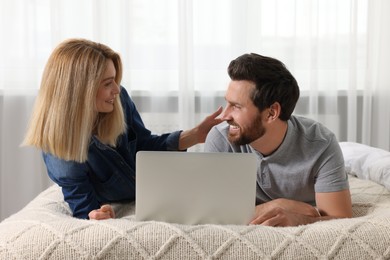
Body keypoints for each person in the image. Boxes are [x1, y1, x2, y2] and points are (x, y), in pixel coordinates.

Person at [23, 38, 223, 220]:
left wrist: (194, 135)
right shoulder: (59, 145)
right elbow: (83, 203)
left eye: (115, 81)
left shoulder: (119, 100)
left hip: (159, 187)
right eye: (108, 83)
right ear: (80, 91)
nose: (117, 90)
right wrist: (95, 214)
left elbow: (144, 146)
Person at [204, 53, 352, 227]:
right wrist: (277, 205)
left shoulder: (321, 145)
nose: (224, 116)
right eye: (227, 103)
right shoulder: (221, 138)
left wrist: (300, 219)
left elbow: (340, 219)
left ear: (271, 113)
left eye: (236, 106)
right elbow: (210, 211)